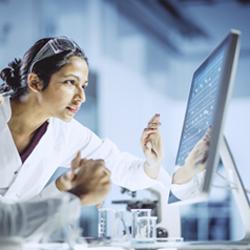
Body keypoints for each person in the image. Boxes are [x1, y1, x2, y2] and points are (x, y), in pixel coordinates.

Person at [0, 36, 209, 205]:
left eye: (83, 86)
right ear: (35, 82)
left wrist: (157, 163)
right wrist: (65, 189)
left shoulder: (65, 132)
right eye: (70, 82)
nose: (81, 97)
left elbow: (122, 168)